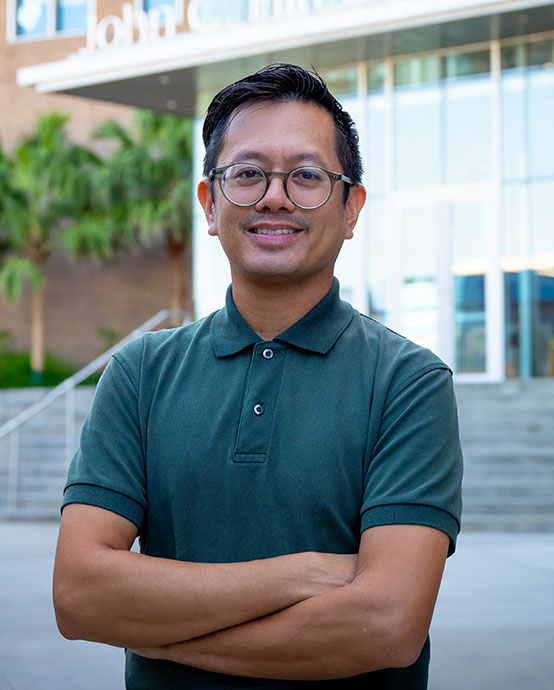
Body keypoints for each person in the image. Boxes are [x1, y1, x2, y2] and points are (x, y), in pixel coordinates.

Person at [53, 63, 463, 689]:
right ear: (210, 203)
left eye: (306, 175)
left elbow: (385, 624)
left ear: (351, 208)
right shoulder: (139, 374)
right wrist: (301, 575)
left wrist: (158, 631)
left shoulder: (408, 382)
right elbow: (80, 595)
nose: (274, 196)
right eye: (247, 173)